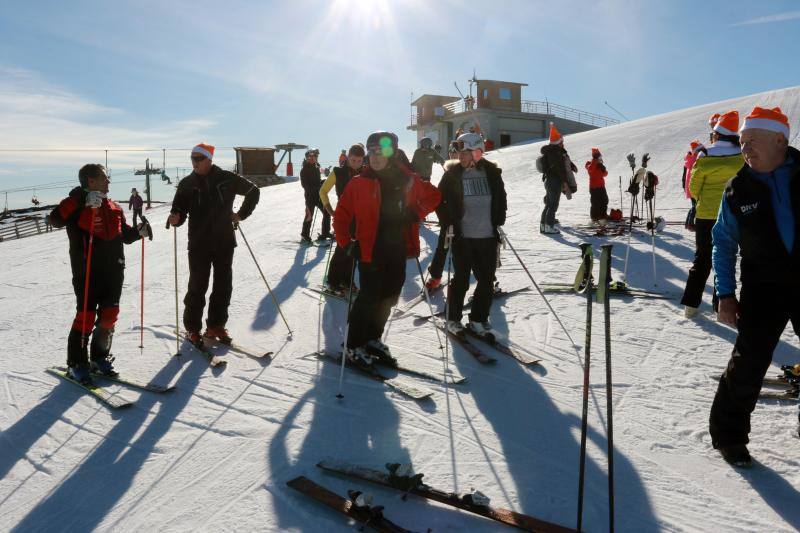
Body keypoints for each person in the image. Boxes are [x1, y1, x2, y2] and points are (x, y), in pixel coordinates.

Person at [709, 106, 797, 468]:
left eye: (751, 142)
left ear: (779, 140)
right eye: (742, 143)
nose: (745, 150)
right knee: (749, 363)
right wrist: (725, 294)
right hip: (764, 288)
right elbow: (722, 242)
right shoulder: (737, 189)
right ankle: (729, 436)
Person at [333, 131, 440, 363]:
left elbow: (434, 196)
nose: (375, 157)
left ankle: (372, 338)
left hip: (397, 249)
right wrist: (346, 244)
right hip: (369, 250)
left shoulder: (407, 180)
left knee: (390, 296)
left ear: (391, 154)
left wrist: (417, 212)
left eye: (380, 152)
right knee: (369, 297)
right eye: (371, 152)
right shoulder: (358, 183)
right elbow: (340, 217)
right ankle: (353, 344)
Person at [50, 164, 150, 383]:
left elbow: (123, 233)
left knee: (109, 314)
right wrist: (81, 201)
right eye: (104, 178)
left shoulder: (114, 206)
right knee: (85, 316)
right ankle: (77, 363)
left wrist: (139, 233)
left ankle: (99, 358)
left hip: (114, 268)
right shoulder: (76, 203)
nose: (108, 182)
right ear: (90, 181)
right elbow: (55, 219)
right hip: (87, 270)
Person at [167, 143, 260, 346]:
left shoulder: (227, 178)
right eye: (192, 158)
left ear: (209, 159)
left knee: (223, 285)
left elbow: (254, 191)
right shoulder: (187, 183)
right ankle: (193, 328)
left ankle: (216, 325)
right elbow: (178, 210)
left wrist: (240, 215)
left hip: (224, 241)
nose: (194, 162)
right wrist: (176, 218)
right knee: (197, 286)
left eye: (198, 158)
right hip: (199, 242)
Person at [438, 132, 507, 337]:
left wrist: (498, 220)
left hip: (487, 236)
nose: (460, 156)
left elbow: (501, 198)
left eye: (465, 152)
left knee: (486, 280)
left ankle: (478, 319)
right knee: (460, 279)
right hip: (463, 237)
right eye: (459, 151)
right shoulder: (452, 174)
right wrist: (448, 222)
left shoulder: (492, 173)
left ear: (477, 152)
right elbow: (439, 201)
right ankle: (453, 319)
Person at [681, 110, 743, 318]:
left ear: (717, 133)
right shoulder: (741, 155)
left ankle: (690, 305)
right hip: (732, 216)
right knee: (725, 259)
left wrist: (702, 200)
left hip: (706, 215)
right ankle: (721, 307)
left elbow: (694, 188)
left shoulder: (705, 154)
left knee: (702, 259)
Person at [319, 143, 365, 293]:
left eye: (359, 161)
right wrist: (330, 210)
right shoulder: (338, 171)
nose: (356, 164)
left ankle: (347, 280)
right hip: (343, 216)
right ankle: (332, 281)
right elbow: (323, 191)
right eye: (353, 160)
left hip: (359, 217)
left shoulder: (365, 172)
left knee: (354, 250)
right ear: (348, 158)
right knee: (341, 249)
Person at [537, 123, 577, 234]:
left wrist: (572, 166)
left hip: (549, 180)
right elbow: (560, 169)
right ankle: (549, 226)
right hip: (555, 181)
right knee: (553, 204)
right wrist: (565, 182)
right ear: (558, 142)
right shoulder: (556, 153)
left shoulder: (550, 152)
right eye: (561, 141)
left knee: (549, 204)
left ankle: (543, 226)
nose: (563, 143)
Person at [300, 148, 332, 243]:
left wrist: (322, 183)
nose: (312, 159)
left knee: (327, 212)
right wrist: (317, 186)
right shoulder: (304, 170)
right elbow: (305, 185)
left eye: (314, 157)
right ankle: (305, 234)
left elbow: (317, 181)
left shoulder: (317, 167)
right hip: (310, 197)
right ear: (306, 158)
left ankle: (325, 232)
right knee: (309, 216)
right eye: (309, 157)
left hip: (319, 196)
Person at [682, 139, 704, 231]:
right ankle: (690, 224)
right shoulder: (695, 159)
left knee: (694, 206)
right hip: (693, 186)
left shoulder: (690, 159)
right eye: (700, 150)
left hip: (690, 186)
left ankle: (688, 223)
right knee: (695, 207)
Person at [586, 147, 609, 223]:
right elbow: (590, 169)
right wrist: (595, 161)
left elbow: (605, 174)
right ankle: (594, 217)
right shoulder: (591, 163)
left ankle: (603, 215)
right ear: (594, 156)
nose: (600, 157)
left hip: (601, 186)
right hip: (594, 187)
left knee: (604, 200)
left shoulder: (599, 164)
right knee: (595, 203)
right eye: (598, 155)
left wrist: (603, 168)